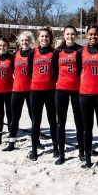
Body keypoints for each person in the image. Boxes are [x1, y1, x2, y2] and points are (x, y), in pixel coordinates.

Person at [77, 25, 98, 170]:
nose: (93, 36)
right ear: (86, 35)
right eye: (90, 34)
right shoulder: (80, 52)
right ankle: (87, 157)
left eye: (96, 34)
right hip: (85, 95)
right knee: (87, 128)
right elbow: (78, 71)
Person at [51, 25, 83, 165]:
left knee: (79, 122)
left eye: (72, 34)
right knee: (60, 123)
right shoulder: (58, 52)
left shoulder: (80, 51)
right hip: (61, 90)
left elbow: (83, 69)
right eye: (68, 34)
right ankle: (61, 153)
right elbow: (53, 71)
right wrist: (59, 81)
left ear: (76, 35)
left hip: (77, 90)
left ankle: (82, 151)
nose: (70, 36)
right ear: (64, 36)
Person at [28, 27, 58, 161]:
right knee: (36, 121)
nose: (44, 39)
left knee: (53, 121)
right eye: (42, 36)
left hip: (51, 91)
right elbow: (29, 71)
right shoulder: (32, 53)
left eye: (47, 36)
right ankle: (34, 149)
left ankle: (56, 147)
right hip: (35, 91)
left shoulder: (54, 53)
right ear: (38, 38)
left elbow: (57, 71)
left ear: (50, 39)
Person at [3, 31, 35, 152]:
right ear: (19, 42)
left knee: (34, 118)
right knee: (14, 117)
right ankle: (11, 142)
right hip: (17, 89)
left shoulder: (34, 53)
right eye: (22, 40)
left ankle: (35, 141)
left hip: (31, 90)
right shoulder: (15, 55)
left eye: (27, 40)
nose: (24, 42)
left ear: (31, 41)